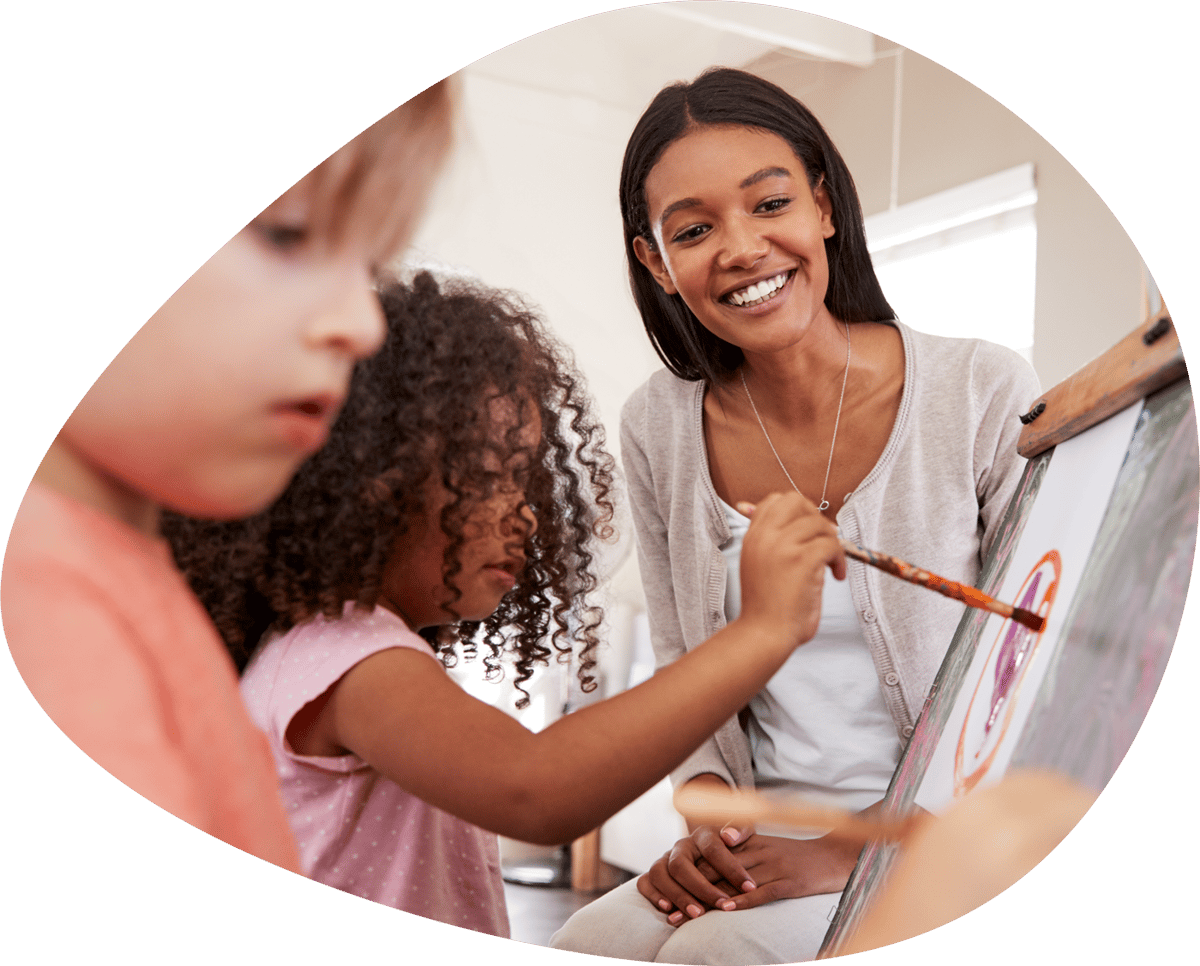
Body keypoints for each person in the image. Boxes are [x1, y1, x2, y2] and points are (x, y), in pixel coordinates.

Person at [163, 270, 847, 938]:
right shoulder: (347, 658)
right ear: (373, 484)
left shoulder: (331, 651)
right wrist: (763, 629)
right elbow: (536, 789)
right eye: (488, 476)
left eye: (525, 479)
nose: (524, 513)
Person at [550, 67, 1041, 964]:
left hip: (938, 833)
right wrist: (705, 828)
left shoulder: (979, 388)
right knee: (591, 937)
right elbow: (683, 668)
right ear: (657, 263)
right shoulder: (657, 424)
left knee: (713, 957)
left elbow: (1031, 668)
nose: (739, 247)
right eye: (694, 230)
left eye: (768, 203)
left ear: (822, 207)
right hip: (759, 841)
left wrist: (853, 847)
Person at [0, 81, 454, 873]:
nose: (362, 321)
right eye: (286, 233)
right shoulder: (46, 611)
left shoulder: (112, 576)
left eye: (370, 262)